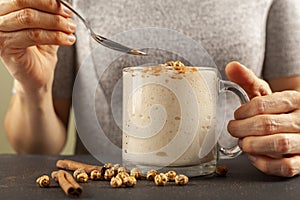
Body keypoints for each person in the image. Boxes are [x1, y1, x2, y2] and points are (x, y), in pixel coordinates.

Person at [0, 0, 300, 177]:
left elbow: (292, 104)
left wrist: (288, 127)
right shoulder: (63, 6)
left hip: (233, 184)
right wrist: (32, 88)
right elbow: (34, 149)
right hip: (111, 186)